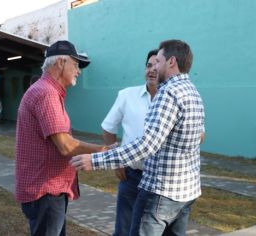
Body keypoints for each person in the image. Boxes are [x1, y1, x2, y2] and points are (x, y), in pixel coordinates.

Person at [71, 39, 205, 236]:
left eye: (158, 61)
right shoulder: (192, 91)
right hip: (186, 191)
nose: (154, 67)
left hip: (161, 191)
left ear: (171, 62)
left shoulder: (167, 92)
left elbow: (147, 145)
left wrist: (96, 160)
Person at [15, 40, 111, 236]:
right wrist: (104, 151)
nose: (79, 71)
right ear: (60, 62)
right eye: (75, 65)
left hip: (47, 191)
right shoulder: (46, 93)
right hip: (46, 191)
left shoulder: (48, 92)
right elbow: (66, 146)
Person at [101, 49, 158, 236]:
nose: (152, 70)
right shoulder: (127, 95)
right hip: (132, 176)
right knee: (124, 230)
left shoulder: (175, 98)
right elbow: (108, 128)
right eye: (149, 65)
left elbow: (199, 134)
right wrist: (116, 161)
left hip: (162, 181)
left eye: (157, 65)